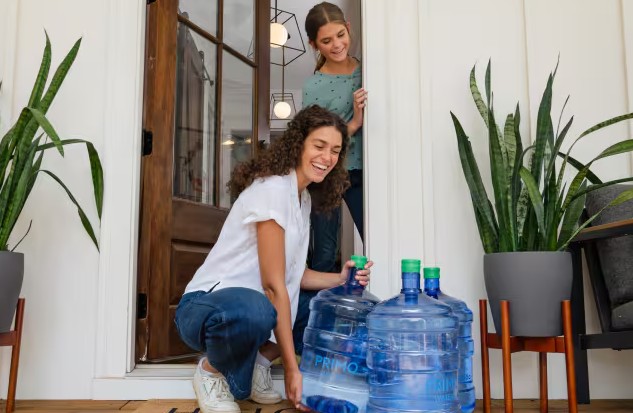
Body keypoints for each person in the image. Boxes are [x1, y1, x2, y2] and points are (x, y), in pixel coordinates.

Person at [174, 105, 373, 413]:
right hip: (207, 308)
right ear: (298, 144)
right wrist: (293, 370)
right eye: (319, 146)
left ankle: (259, 365)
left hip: (254, 308)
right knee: (259, 307)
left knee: (325, 304)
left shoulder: (302, 199)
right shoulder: (272, 190)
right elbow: (273, 285)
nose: (327, 157)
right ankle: (210, 372)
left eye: (335, 151)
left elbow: (295, 275)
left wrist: (340, 280)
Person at [303, 2, 367, 276]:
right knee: (325, 252)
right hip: (326, 174)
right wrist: (354, 124)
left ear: (348, 28)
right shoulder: (313, 87)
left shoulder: (369, 71)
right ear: (314, 44)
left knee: (374, 236)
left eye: (340, 35)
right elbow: (316, 140)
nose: (337, 45)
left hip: (361, 172)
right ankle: (318, 303)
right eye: (326, 41)